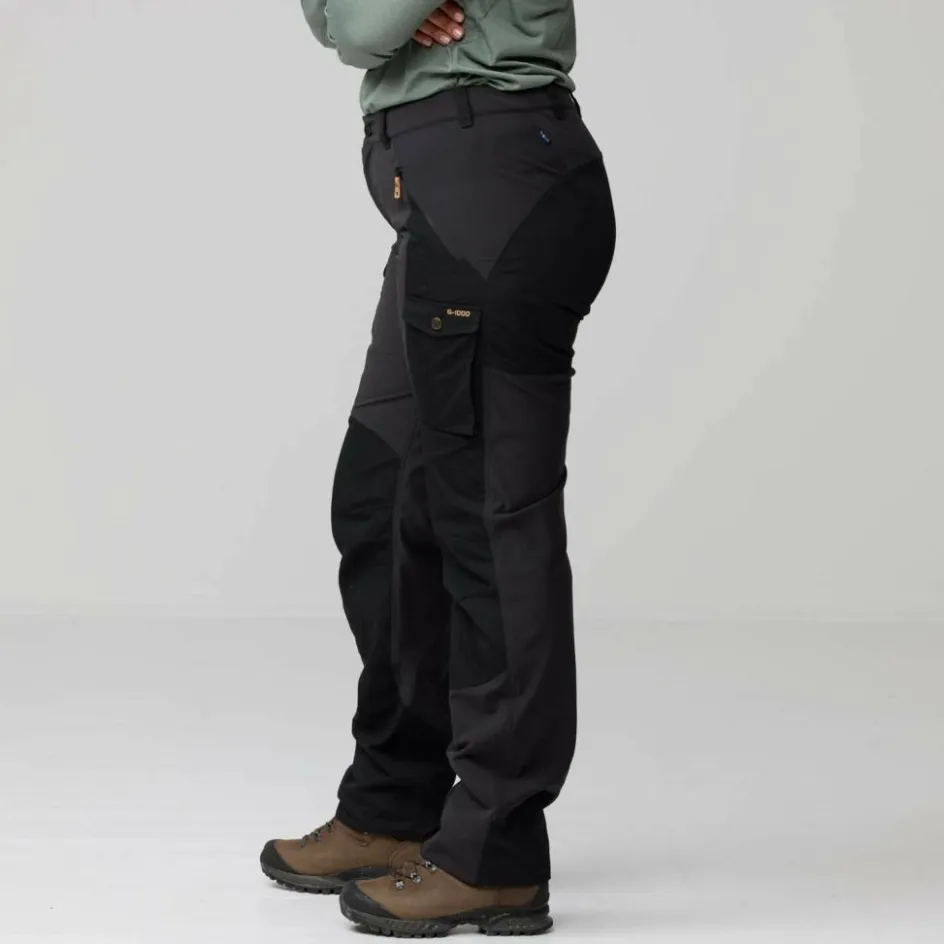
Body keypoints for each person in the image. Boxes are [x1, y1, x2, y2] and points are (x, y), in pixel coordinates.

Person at [261, 1, 616, 936]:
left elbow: (363, 27)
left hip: (499, 182)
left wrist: (362, 16)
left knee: (489, 522)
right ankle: (394, 805)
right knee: (383, 499)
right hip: (443, 202)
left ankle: (496, 851)